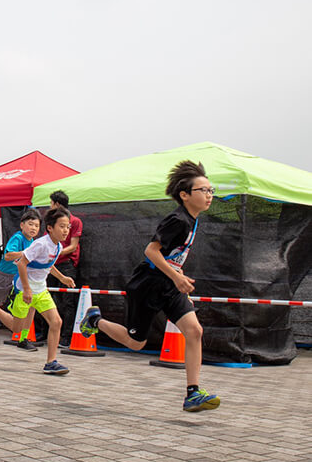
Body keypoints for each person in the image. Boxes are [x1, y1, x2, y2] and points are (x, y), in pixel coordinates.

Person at [79, 161, 221, 412]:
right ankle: (96, 320)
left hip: (169, 283)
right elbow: (151, 251)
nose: (209, 195)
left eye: (211, 190)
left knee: (195, 331)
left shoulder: (193, 219)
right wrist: (176, 277)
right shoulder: (178, 220)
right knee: (136, 343)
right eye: (203, 190)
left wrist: (179, 275)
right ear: (185, 195)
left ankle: (193, 393)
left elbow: (173, 255)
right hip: (148, 284)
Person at [0, 207, 76, 374]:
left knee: (56, 322)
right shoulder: (40, 244)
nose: (66, 231)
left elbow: (48, 265)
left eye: (68, 227)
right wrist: (26, 289)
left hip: (40, 290)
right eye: (62, 226)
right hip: (23, 290)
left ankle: (51, 362)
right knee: (16, 328)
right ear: (50, 227)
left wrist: (62, 278)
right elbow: (21, 263)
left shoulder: (57, 246)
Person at [0, 208, 41, 348]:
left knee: (31, 306)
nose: (33, 228)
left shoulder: (34, 243)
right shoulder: (18, 238)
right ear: (22, 225)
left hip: (19, 279)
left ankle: (23, 339)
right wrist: (26, 253)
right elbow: (8, 255)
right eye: (30, 224)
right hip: (3, 277)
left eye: (36, 226)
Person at [45, 190, 82, 347]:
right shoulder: (51, 222)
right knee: (47, 299)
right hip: (51, 264)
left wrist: (56, 252)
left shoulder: (75, 221)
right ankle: (46, 334)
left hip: (66, 265)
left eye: (51, 203)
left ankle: (66, 337)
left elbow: (73, 246)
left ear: (57, 204)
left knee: (68, 302)